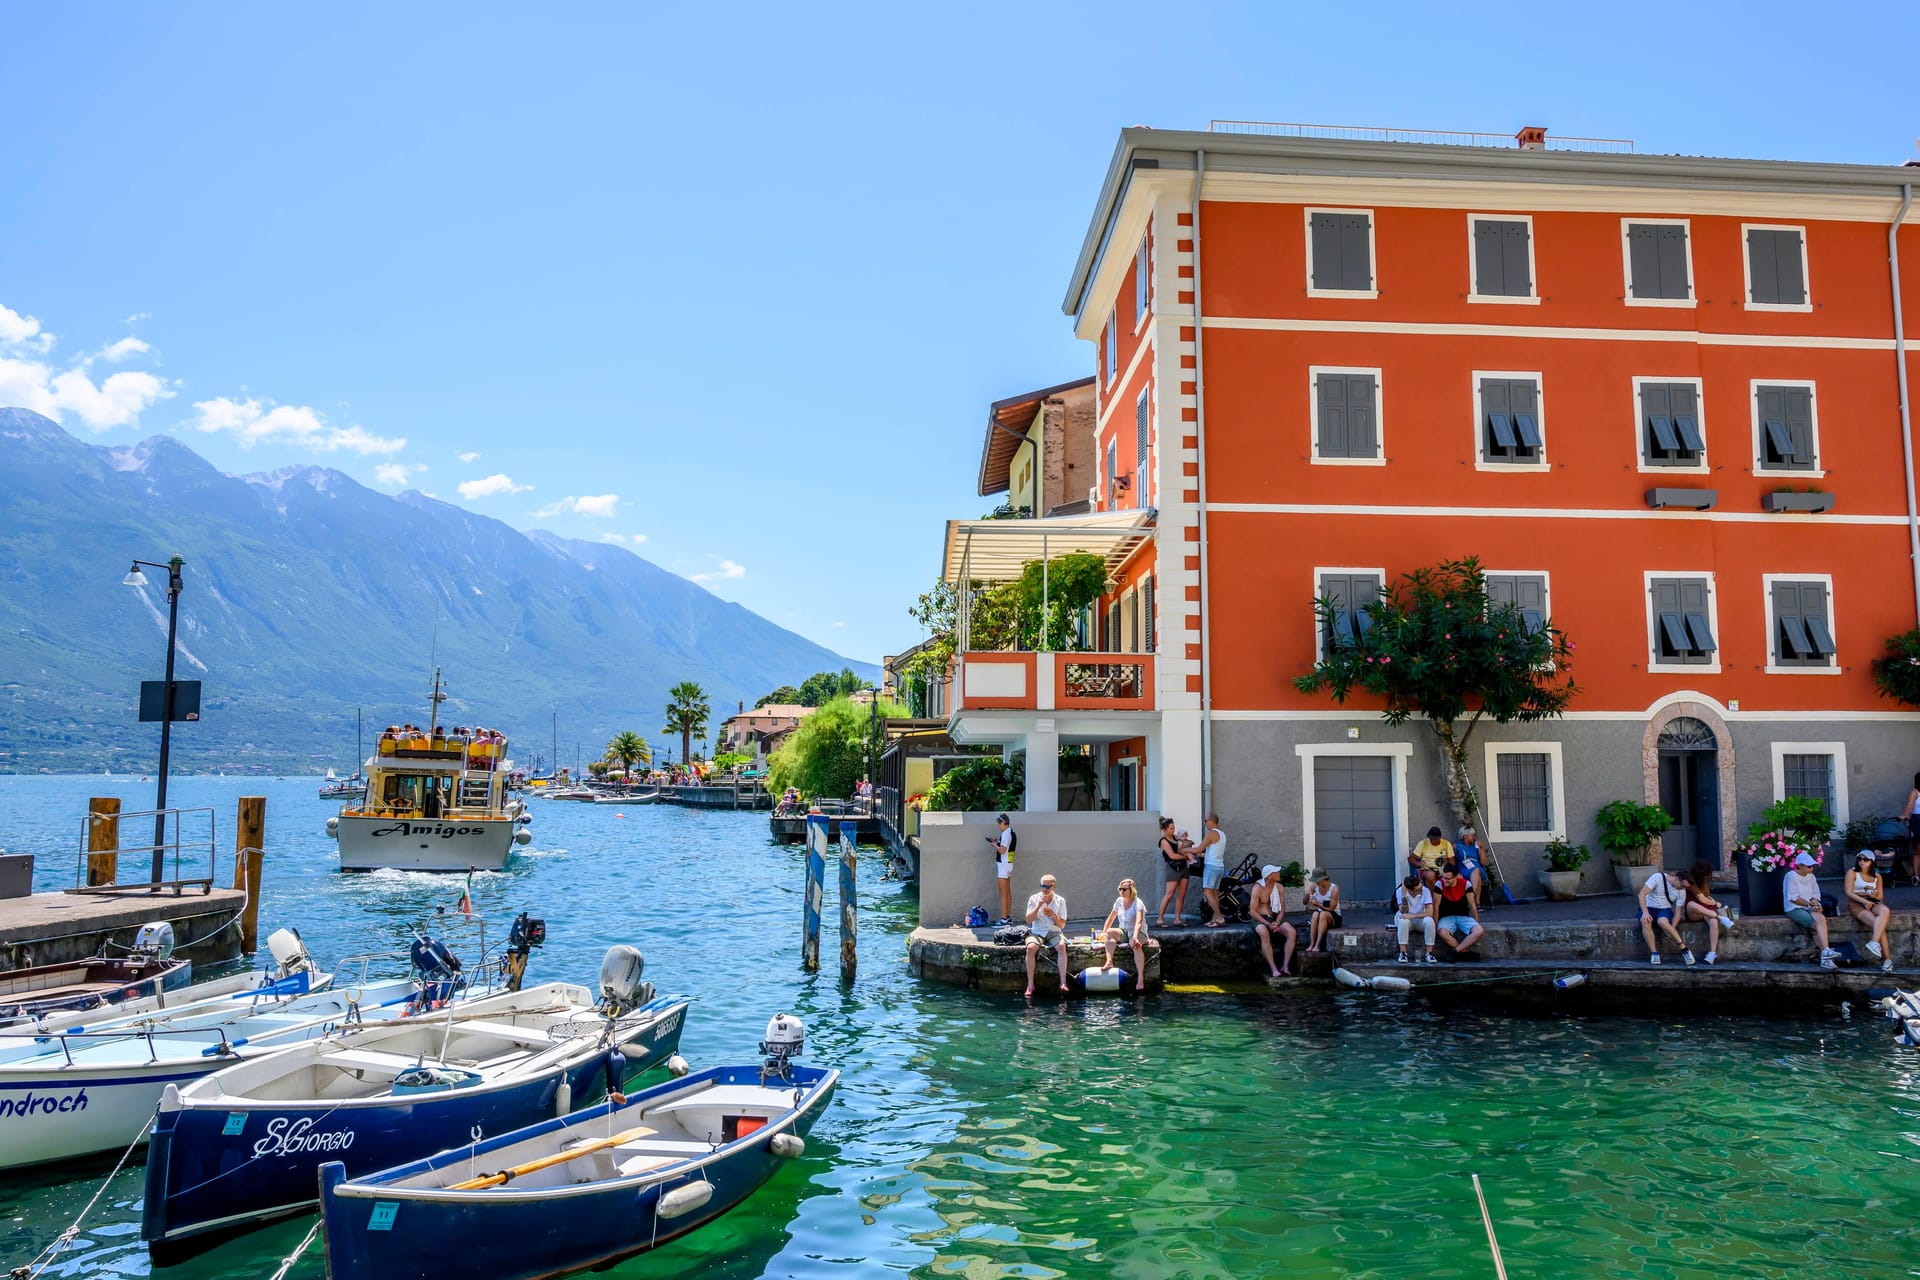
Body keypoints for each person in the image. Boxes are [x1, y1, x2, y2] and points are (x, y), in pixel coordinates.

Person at [1782, 852, 1840, 970]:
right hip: (1794, 908)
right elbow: (1793, 898)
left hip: (1809, 906)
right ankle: (1825, 952)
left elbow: (1815, 893)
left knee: (1821, 918)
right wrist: (1810, 904)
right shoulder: (1791, 876)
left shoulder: (1811, 877)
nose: (1811, 868)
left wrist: (1816, 903)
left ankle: (1826, 954)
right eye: (1809, 866)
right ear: (1800, 865)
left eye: (1812, 866)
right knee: (1815, 925)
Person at [1843, 850, 1894, 973]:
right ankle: (1887, 960)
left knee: (1885, 910)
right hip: (1857, 903)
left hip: (1872, 902)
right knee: (1879, 926)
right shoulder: (1853, 872)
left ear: (1872, 861)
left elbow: (1880, 897)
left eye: (1865, 859)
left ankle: (1874, 942)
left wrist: (1873, 894)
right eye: (1860, 859)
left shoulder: (1877, 876)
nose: (1862, 862)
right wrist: (1864, 898)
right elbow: (1849, 892)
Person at [1024, 874, 1070, 997]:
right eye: (1042, 886)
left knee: (1061, 946)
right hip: (1037, 931)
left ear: (1053, 886)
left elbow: (1062, 925)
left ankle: (1063, 982)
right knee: (1030, 948)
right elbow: (1028, 920)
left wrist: (1054, 915)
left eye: (1046, 886)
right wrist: (1038, 905)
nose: (1044, 889)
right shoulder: (1034, 899)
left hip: (1054, 930)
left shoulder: (1060, 901)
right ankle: (1030, 984)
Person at [1680, 860, 1735, 965]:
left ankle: (1712, 954)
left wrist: (1713, 902)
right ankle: (1721, 918)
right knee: (1691, 904)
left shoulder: (1704, 881)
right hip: (1693, 912)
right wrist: (1714, 903)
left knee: (1713, 922)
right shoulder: (1690, 881)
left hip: (1706, 911)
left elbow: (1707, 897)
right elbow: (1702, 899)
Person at [1639, 865, 1694, 965]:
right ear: (1676, 879)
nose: (1683, 888)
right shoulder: (1657, 877)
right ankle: (1654, 953)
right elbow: (1641, 894)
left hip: (1664, 909)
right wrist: (1645, 912)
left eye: (1686, 887)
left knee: (1663, 921)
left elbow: (1677, 913)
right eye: (1682, 885)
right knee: (1646, 921)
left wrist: (1671, 928)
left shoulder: (1682, 891)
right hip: (1648, 907)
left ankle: (1684, 949)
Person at [1249, 864, 1297, 978]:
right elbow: (1252, 911)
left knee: (1291, 932)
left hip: (1275, 918)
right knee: (1263, 932)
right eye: (1276, 872)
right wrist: (1267, 924)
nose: (1279, 874)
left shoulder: (1279, 887)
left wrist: (1277, 923)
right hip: (1260, 919)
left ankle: (1285, 966)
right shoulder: (1258, 888)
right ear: (1269, 876)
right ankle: (1274, 969)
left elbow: (1282, 908)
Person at [1100, 879, 1149, 989]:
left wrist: (1135, 937)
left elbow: (1139, 922)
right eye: (1120, 889)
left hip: (1138, 932)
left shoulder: (1138, 903)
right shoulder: (1119, 901)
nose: (1122, 891)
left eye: (1124, 889)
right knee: (1109, 933)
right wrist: (1104, 932)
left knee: (1135, 945)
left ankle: (1140, 979)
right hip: (1124, 930)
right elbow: (1111, 917)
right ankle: (1109, 962)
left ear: (1131, 890)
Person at [1434, 863, 1484, 958]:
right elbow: (1436, 906)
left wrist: (1476, 922)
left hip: (1463, 916)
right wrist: (1435, 925)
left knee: (1479, 931)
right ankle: (1465, 953)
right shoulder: (1439, 884)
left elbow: (1472, 905)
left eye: (1448, 879)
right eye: (1444, 877)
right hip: (1446, 917)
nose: (1445, 880)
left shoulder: (1466, 884)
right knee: (1442, 933)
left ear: (1456, 877)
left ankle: (1455, 952)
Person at [1155, 818, 1195, 926]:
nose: (1173, 830)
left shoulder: (1175, 838)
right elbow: (1172, 855)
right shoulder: (1163, 841)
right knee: (1169, 893)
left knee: (1181, 895)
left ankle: (1177, 919)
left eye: (1174, 828)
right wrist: (1186, 856)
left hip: (1183, 868)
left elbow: (1184, 846)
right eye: (1171, 828)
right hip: (1173, 868)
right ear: (1164, 829)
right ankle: (1160, 919)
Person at [1393, 874, 1437, 964]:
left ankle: (1429, 953)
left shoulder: (1425, 891)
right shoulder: (1400, 891)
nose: (1421, 890)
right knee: (1403, 921)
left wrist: (1412, 916)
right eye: (1417, 890)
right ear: (1410, 890)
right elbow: (1404, 912)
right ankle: (1403, 953)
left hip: (1419, 919)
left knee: (1429, 921)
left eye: (1421, 886)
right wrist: (1404, 894)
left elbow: (1430, 912)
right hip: (1406, 920)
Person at [1198, 813, 1229, 927]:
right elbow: (1212, 852)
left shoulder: (1212, 833)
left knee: (1207, 892)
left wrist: (1185, 850)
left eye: (1205, 821)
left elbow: (1199, 848)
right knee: (1215, 893)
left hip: (1211, 866)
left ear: (1211, 821)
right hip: (1219, 866)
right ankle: (1214, 919)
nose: (1205, 823)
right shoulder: (1222, 834)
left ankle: (1220, 917)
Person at [987, 814, 1017, 925]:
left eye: (999, 824)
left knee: (1003, 893)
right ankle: (1007, 917)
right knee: (1007, 892)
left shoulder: (1005, 834)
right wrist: (997, 842)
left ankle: (1004, 919)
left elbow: (1002, 850)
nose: (998, 826)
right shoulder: (1011, 832)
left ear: (1003, 823)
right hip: (1008, 865)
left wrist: (994, 844)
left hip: (1004, 866)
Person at [1303, 869, 1342, 954]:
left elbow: (1332, 909)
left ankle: (1318, 944)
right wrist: (1308, 893)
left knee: (1322, 914)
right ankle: (1312, 943)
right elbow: (1304, 902)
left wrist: (1318, 905)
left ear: (1323, 879)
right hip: (1320, 914)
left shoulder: (1334, 889)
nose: (1316, 883)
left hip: (1334, 916)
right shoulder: (1315, 886)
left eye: (1317, 881)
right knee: (1315, 914)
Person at [1453, 826, 1486, 906]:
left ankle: (1472, 896)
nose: (1474, 837)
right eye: (1472, 835)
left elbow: (1484, 863)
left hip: (1476, 868)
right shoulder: (1456, 846)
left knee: (1476, 871)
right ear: (1465, 836)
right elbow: (1450, 859)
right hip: (1462, 869)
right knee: (1473, 875)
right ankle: (1476, 902)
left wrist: (1482, 849)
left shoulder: (1476, 846)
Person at [1906, 771, 1920, 883]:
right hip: (1917, 820)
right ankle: (1916, 874)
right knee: (1917, 849)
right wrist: (1905, 816)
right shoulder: (1915, 792)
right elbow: (1910, 806)